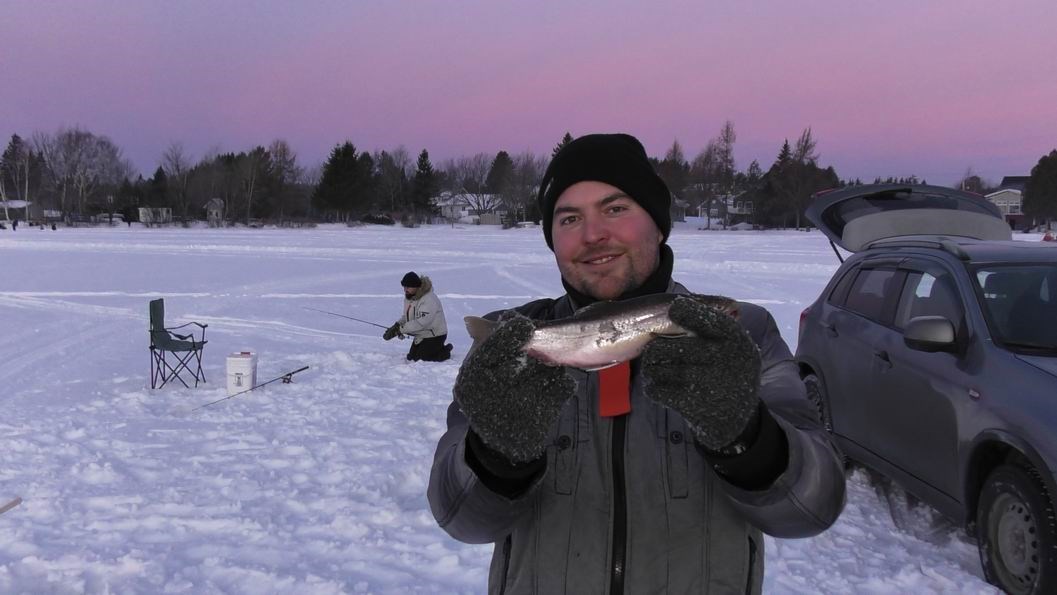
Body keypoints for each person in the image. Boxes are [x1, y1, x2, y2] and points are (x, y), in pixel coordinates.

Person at [427, 133, 846, 594]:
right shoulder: (513, 340)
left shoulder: (744, 334)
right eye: (569, 218)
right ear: (552, 239)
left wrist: (745, 435)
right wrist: (497, 456)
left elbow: (813, 507)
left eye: (615, 208)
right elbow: (459, 519)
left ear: (659, 224)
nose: (592, 235)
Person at [383, 272, 453, 362]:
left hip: (435, 335)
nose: (405, 290)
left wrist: (400, 330)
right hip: (421, 334)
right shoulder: (410, 297)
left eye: (408, 287)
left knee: (422, 360)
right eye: (404, 287)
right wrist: (396, 326)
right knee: (411, 358)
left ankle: (445, 350)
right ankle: (433, 349)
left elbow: (421, 323)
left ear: (416, 286)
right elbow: (406, 317)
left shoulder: (429, 299)